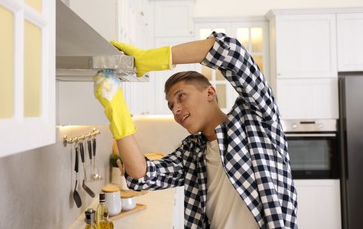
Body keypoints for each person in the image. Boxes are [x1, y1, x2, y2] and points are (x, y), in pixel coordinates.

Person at [94, 32, 298, 228]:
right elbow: (142, 176)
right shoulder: (192, 152)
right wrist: (116, 109)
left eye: (181, 96)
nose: (176, 109)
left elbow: (232, 52)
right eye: (171, 105)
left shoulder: (255, 118)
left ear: (210, 92)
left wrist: (151, 58)